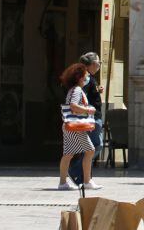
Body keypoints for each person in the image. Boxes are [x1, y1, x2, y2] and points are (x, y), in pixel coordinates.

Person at [58, 62, 100, 191]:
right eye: (86, 75)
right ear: (79, 77)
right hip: (76, 127)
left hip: (70, 126)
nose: (87, 78)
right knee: (90, 150)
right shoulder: (77, 90)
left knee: (68, 154)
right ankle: (87, 181)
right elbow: (73, 106)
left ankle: (63, 183)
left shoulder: (72, 89)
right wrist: (88, 110)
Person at [68, 52, 104, 185]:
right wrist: (87, 110)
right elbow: (81, 95)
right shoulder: (86, 78)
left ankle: (84, 177)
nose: (99, 65)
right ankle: (77, 172)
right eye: (99, 63)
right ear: (92, 64)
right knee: (95, 146)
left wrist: (97, 90)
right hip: (92, 117)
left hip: (93, 116)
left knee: (93, 147)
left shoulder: (89, 78)